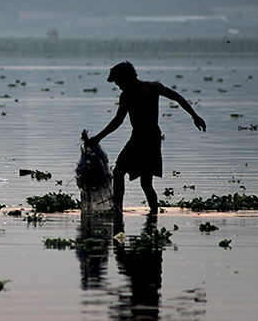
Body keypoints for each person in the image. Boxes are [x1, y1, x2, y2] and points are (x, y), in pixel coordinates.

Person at [88, 61, 206, 217]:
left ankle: (151, 213)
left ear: (127, 78)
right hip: (136, 137)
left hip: (151, 138)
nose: (119, 86)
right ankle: (119, 210)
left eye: (119, 82)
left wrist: (195, 116)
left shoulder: (152, 88)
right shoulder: (125, 96)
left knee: (144, 182)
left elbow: (176, 97)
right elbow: (118, 120)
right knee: (121, 174)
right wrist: (98, 138)